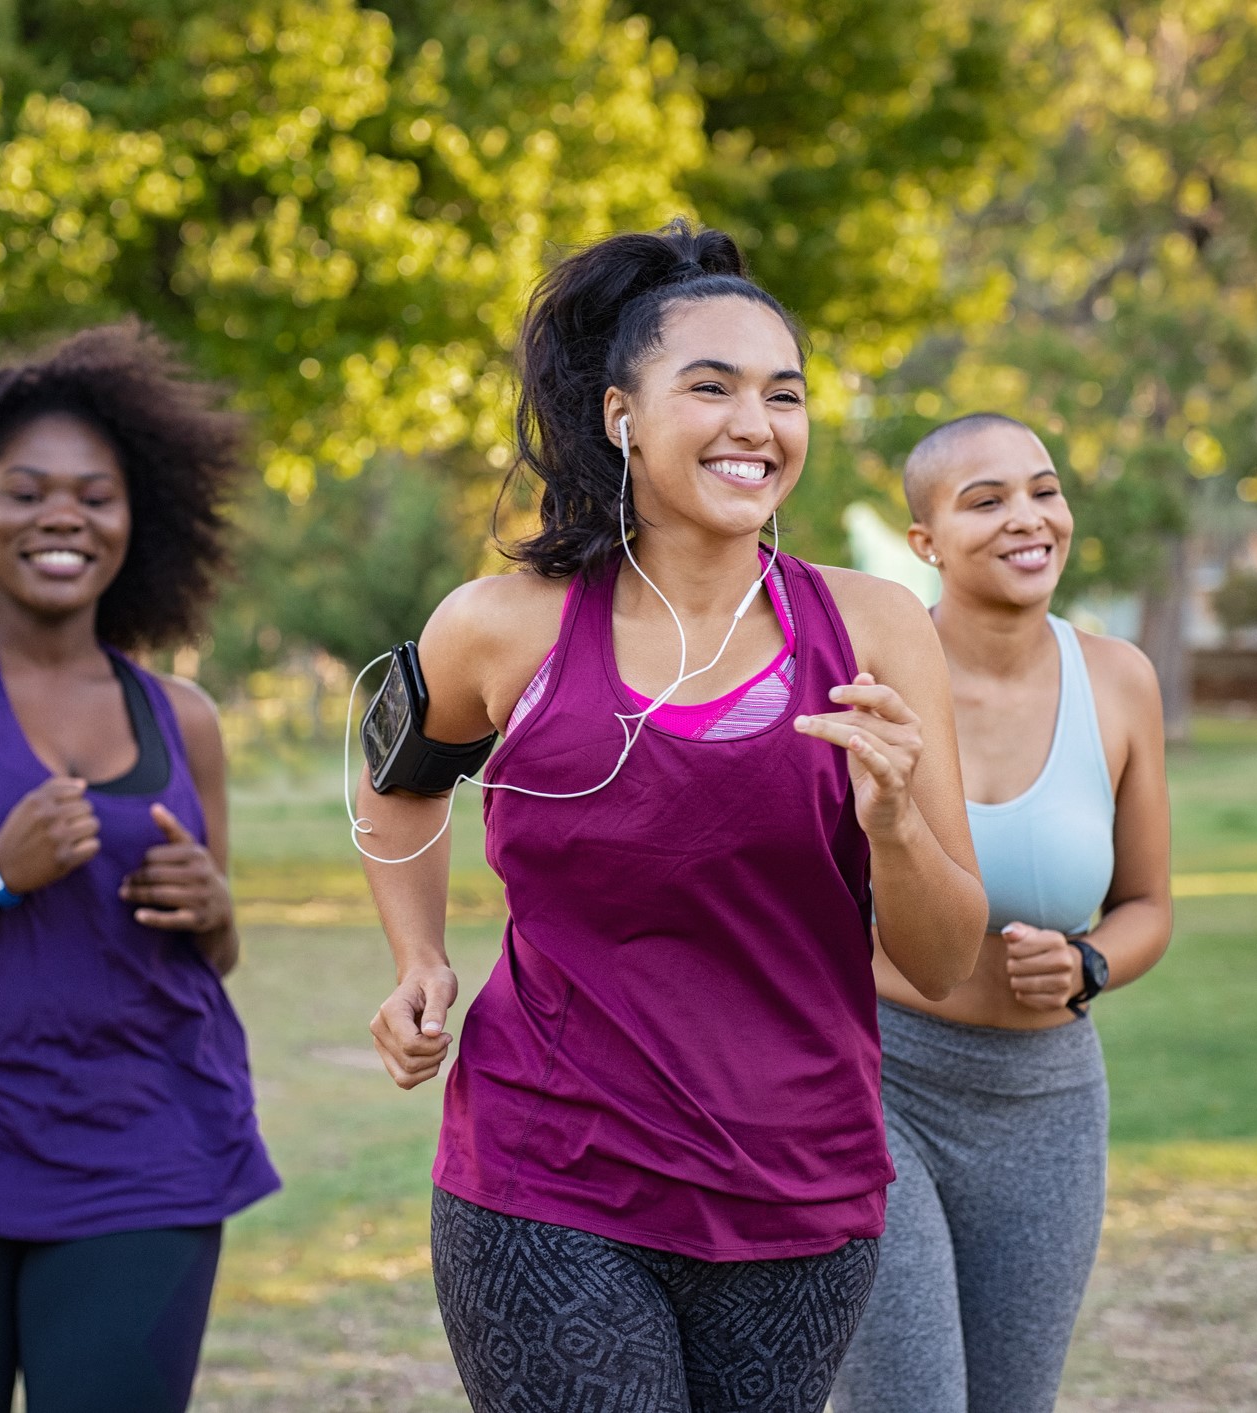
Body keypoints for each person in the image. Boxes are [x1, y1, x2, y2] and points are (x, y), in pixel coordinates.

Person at [358, 221, 989, 1412]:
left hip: (799, 1189)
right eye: (712, 387)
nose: (757, 424)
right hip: (547, 1177)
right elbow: (398, 785)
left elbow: (945, 959)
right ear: (620, 418)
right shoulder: (503, 627)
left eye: (784, 395)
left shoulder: (880, 633)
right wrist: (416, 959)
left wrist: (897, 823)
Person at [0, 322, 279, 1413]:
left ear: (137, 522)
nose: (61, 518)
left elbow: (217, 952)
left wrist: (215, 909)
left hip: (146, 1150)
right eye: (26, 491)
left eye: (95, 496)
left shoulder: (180, 719)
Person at [833, 412, 1173, 1413]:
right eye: (985, 501)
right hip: (881, 1088)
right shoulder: (865, 685)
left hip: (1050, 1107)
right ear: (925, 543)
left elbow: (1148, 904)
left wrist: (1089, 967)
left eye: (1043, 489)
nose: (1028, 519)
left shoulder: (1119, 682)